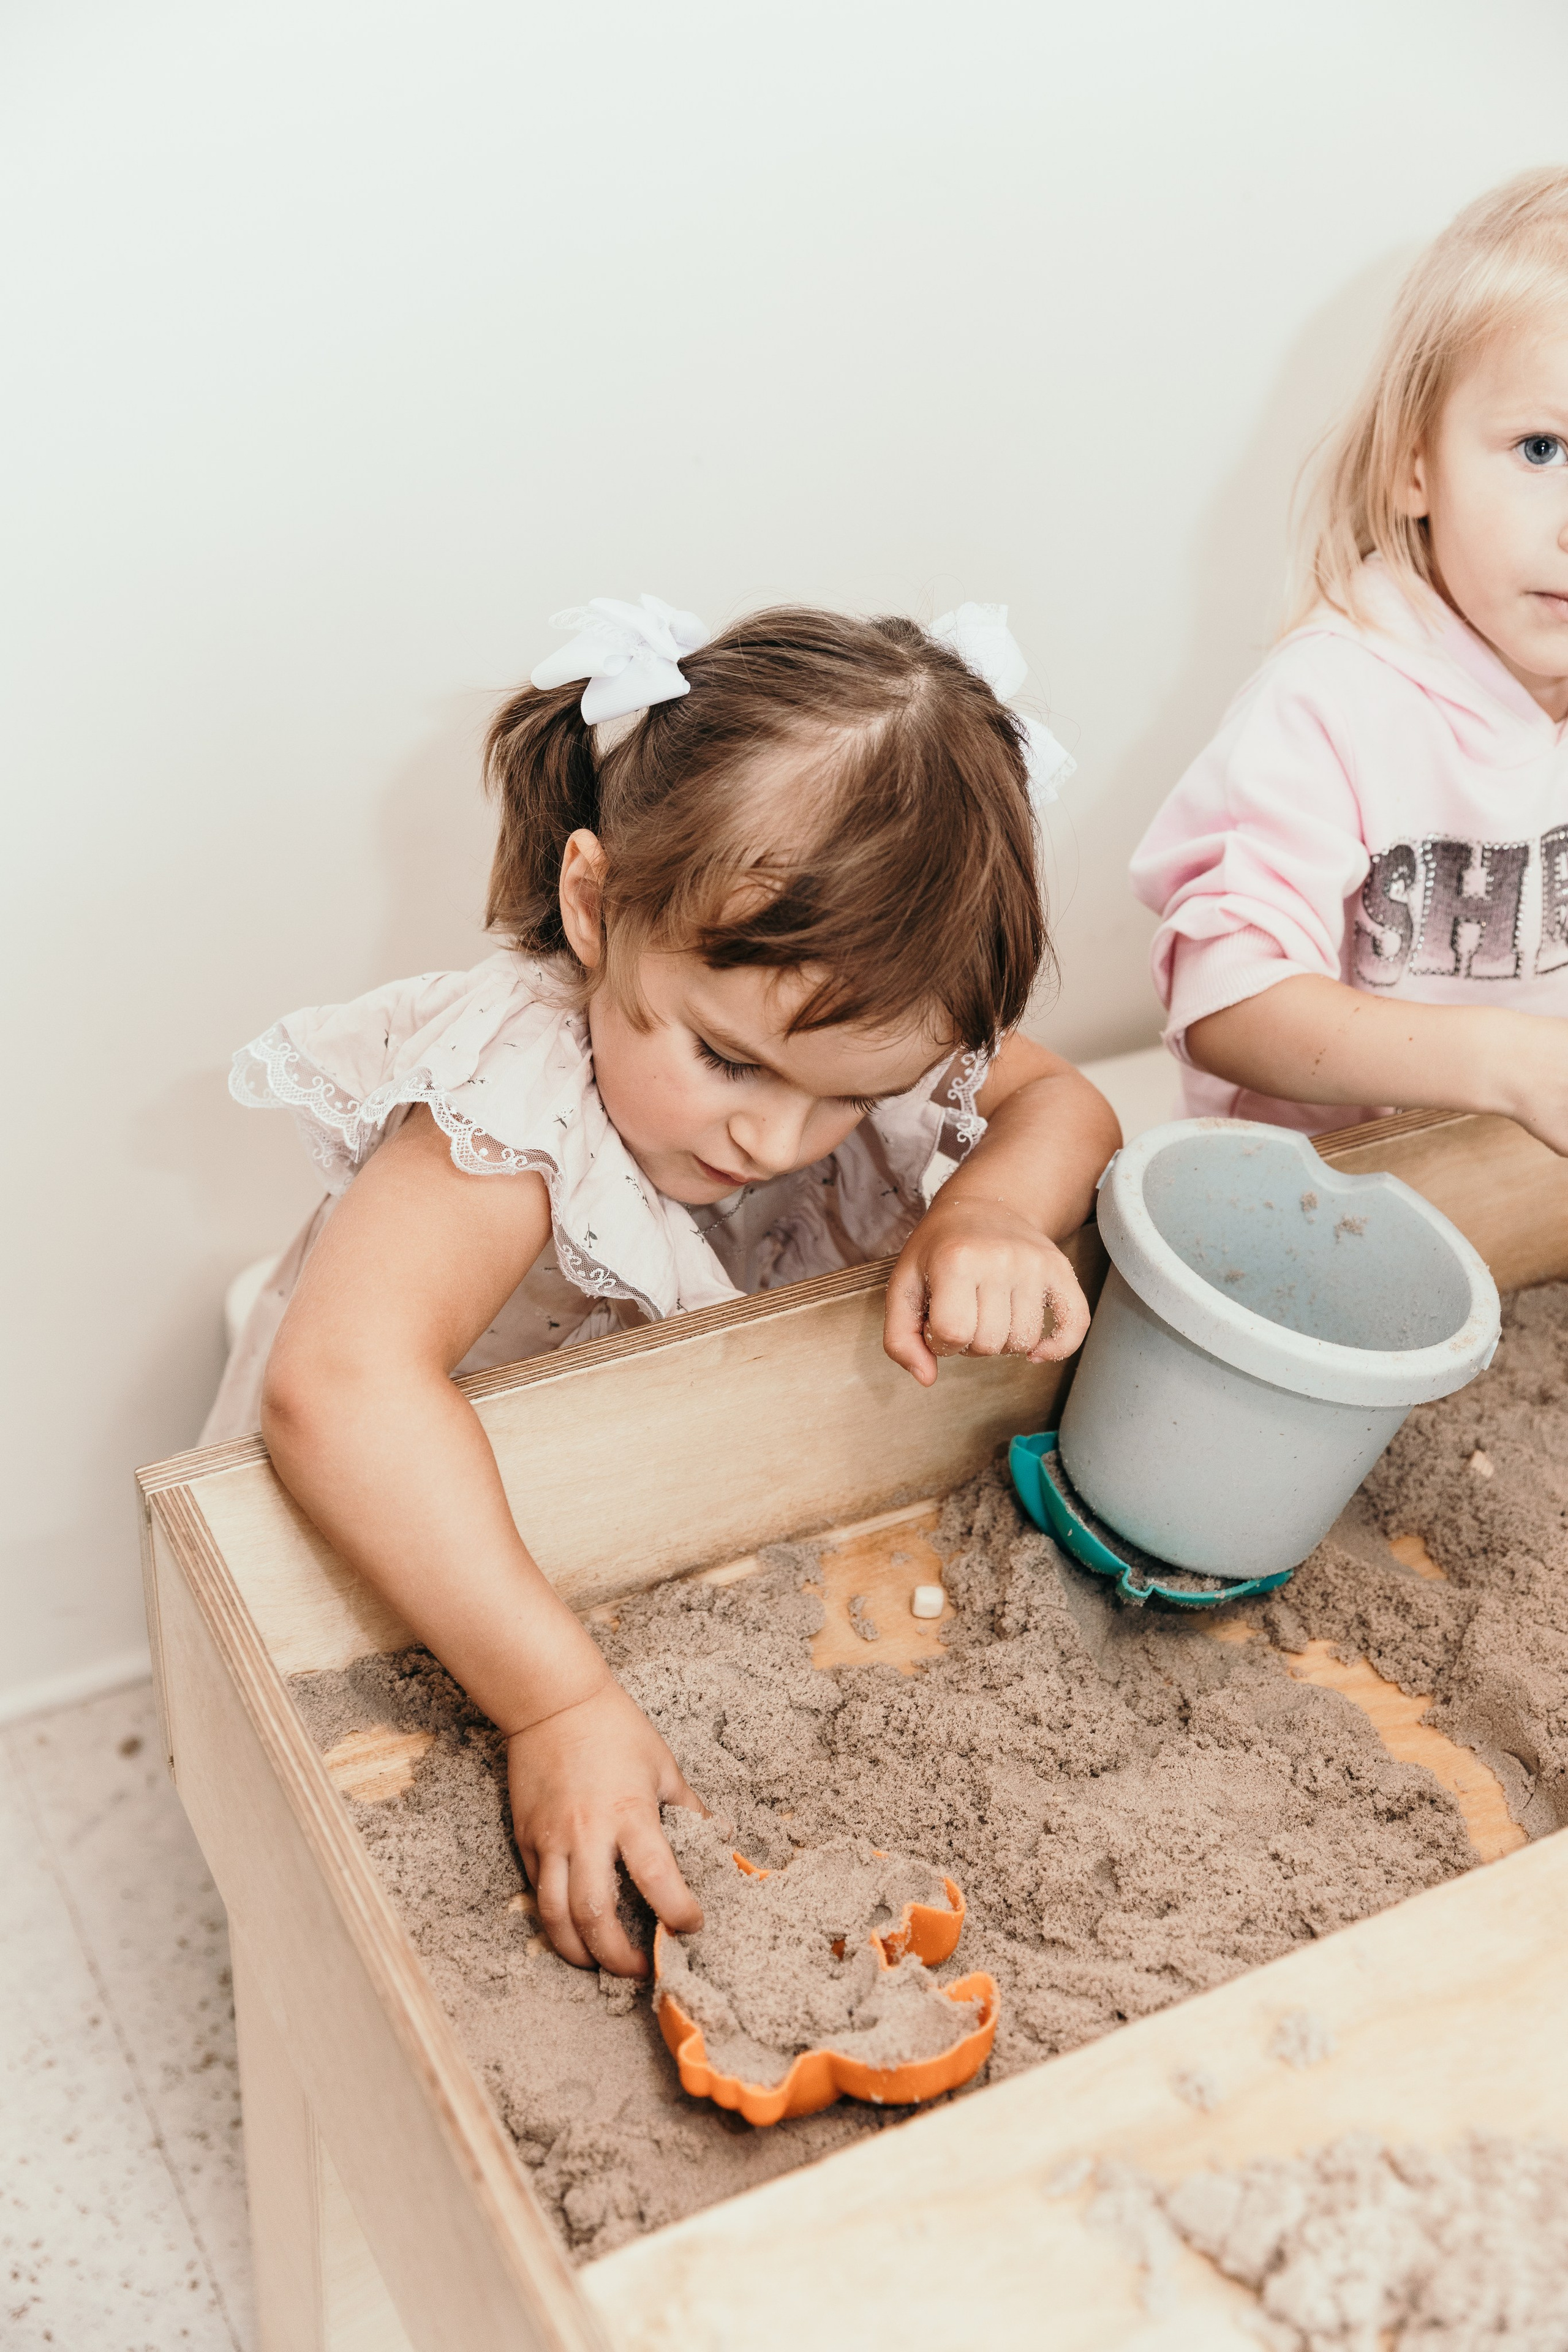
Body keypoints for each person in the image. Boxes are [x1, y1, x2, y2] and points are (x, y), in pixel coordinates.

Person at [207, 595, 1120, 1975]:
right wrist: (555, 1703)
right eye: (727, 1060)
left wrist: (990, 1213)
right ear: (595, 904)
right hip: (420, 1521)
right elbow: (339, 1390)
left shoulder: (845, 1011)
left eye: (850, 1097)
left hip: (640, 1480)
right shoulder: (517, 1097)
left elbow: (1065, 1107)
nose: (773, 1138)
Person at [1131, 167, 1568, 1138]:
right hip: (1321, 1209)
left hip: (1515, 1192)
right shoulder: (1331, 700)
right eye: (1543, 450)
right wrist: (1513, 1065)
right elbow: (1225, 1007)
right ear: (1415, 461)